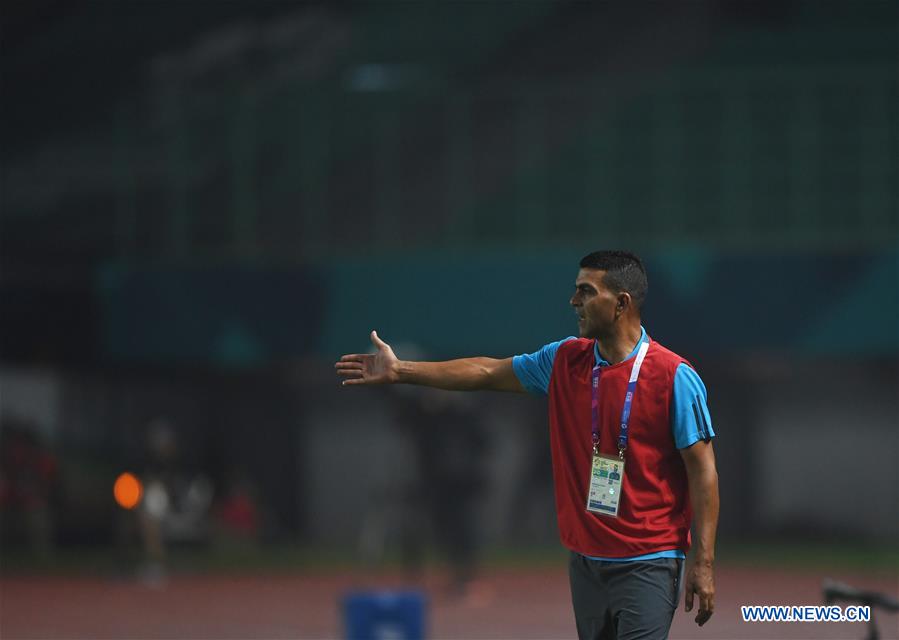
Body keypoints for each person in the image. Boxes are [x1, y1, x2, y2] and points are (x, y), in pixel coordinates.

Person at [335, 250, 719, 640]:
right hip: (585, 561)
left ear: (621, 303)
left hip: (647, 561)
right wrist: (402, 371)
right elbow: (486, 371)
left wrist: (702, 563)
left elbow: (703, 471)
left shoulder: (675, 377)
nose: (574, 302)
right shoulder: (564, 360)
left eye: (586, 292)